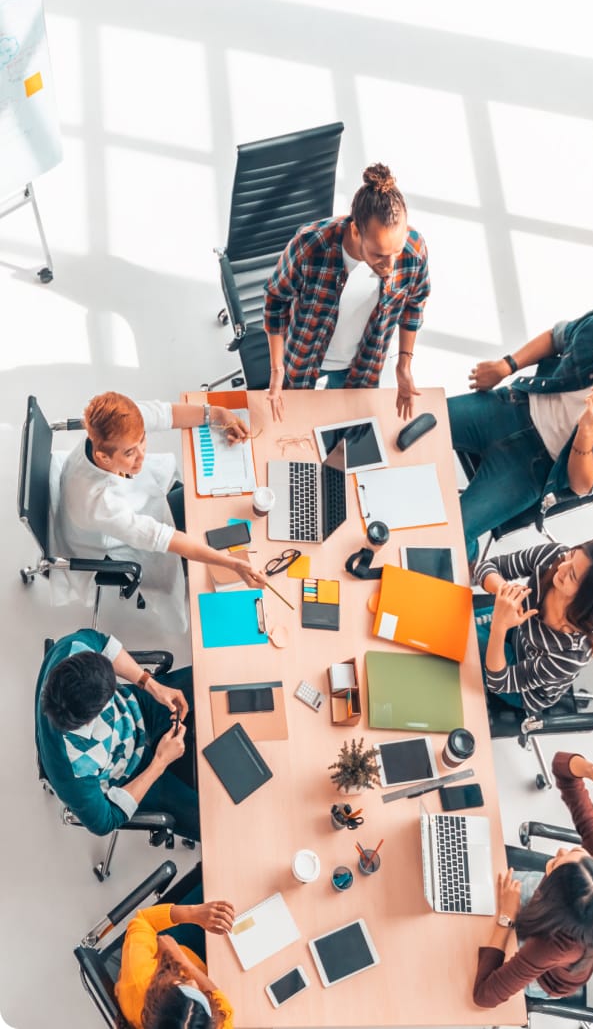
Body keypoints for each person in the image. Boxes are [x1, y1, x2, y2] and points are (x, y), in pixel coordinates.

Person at [448, 307, 593, 562]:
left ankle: (469, 559)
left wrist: (587, 429)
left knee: (453, 534)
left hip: (533, 468)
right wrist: (507, 365)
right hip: (511, 406)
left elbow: (582, 485)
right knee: (412, 421)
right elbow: (555, 338)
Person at [56, 392, 267, 631]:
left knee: (203, 509)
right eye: (129, 453)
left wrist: (216, 413)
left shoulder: (118, 424)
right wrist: (233, 564)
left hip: (136, 506)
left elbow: (167, 414)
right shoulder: (99, 502)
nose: (142, 456)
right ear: (103, 457)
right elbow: (163, 537)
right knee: (199, 553)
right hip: (113, 542)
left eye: (142, 441)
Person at [264, 163, 430, 421]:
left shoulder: (413, 249)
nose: (390, 265)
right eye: (379, 254)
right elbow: (276, 299)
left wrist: (404, 365)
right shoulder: (310, 244)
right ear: (355, 230)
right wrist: (276, 369)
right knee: (295, 427)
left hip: (364, 364)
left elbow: (415, 302)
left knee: (349, 433)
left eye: (396, 251)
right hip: (304, 358)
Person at [473, 751, 593, 1007]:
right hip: (559, 917)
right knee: (476, 889)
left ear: (552, 895)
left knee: (470, 938)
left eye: (561, 862)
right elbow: (563, 769)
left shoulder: (554, 946)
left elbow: (485, 996)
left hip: (544, 977)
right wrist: (591, 771)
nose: (561, 850)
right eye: (576, 853)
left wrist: (506, 919)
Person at [36, 628, 200, 840]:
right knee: (210, 820)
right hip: (129, 773)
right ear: (92, 718)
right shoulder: (72, 772)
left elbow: (104, 645)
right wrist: (160, 761)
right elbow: (104, 822)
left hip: (135, 706)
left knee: (211, 677)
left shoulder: (72, 649)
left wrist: (150, 684)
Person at [475, 540, 593, 713]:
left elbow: (499, 681)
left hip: (523, 689)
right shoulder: (556, 555)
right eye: (572, 555)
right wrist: (506, 592)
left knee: (459, 633)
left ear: (588, 599)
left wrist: (499, 625)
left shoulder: (571, 655)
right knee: (452, 618)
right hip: (517, 630)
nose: (561, 567)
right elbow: (486, 567)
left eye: (572, 575)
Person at [116, 894, 235, 1029]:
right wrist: (185, 963)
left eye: (181, 985)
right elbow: (225, 1010)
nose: (193, 982)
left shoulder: (137, 978)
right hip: (193, 960)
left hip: (164, 952)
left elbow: (144, 920)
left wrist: (193, 912)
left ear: (160, 999)